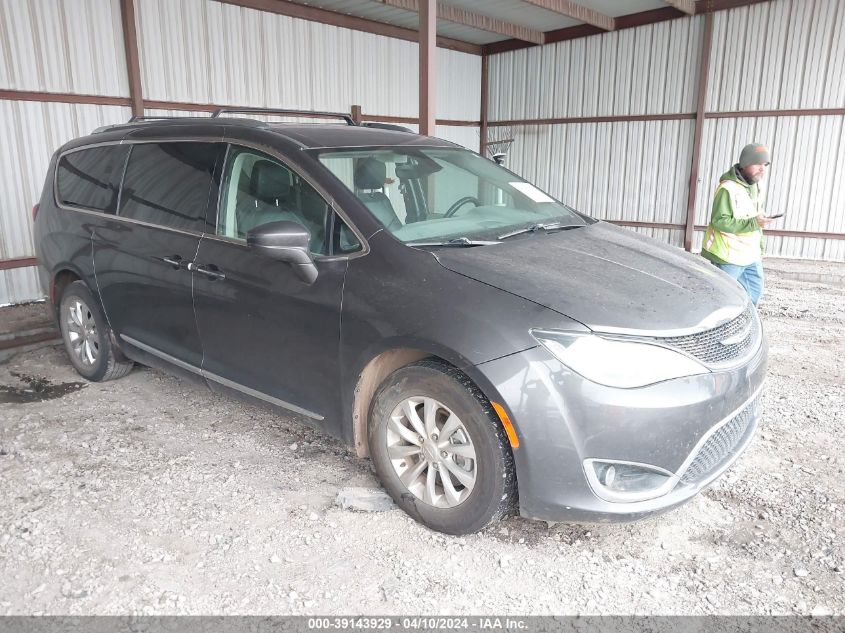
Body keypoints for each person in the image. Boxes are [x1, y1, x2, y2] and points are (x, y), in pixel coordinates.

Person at [701, 143, 774, 305]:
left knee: (753, 295)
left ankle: (745, 328)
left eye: (765, 164)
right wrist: (753, 223)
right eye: (757, 164)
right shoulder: (727, 189)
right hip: (729, 256)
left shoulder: (757, 186)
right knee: (722, 300)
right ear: (745, 164)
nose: (762, 169)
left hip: (750, 254)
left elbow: (752, 214)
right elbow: (720, 221)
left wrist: (760, 241)